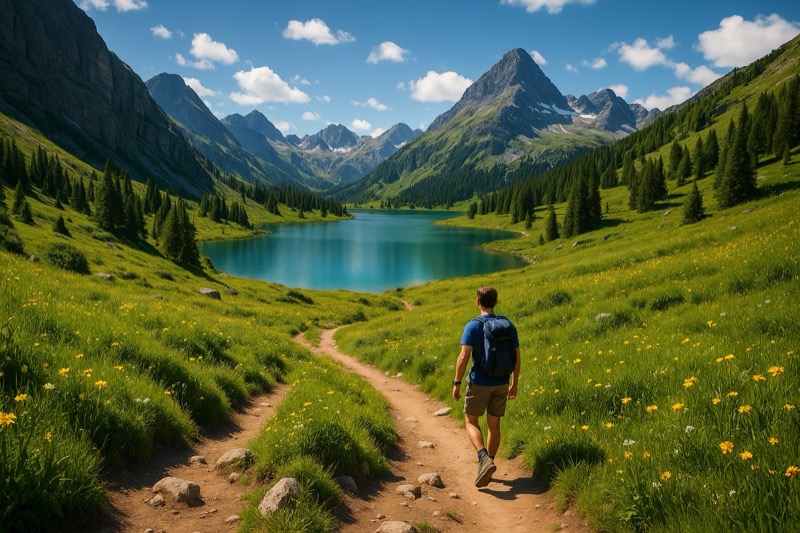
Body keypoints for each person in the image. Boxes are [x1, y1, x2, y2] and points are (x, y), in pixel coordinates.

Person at [452, 286, 520, 487]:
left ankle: (483, 458)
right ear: (496, 302)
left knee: (471, 420)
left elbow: (463, 357)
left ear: (477, 302)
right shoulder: (508, 325)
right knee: (494, 425)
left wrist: (457, 382)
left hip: (480, 382)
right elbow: (517, 357)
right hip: (502, 382)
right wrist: (514, 383)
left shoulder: (473, 326)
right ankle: (489, 462)